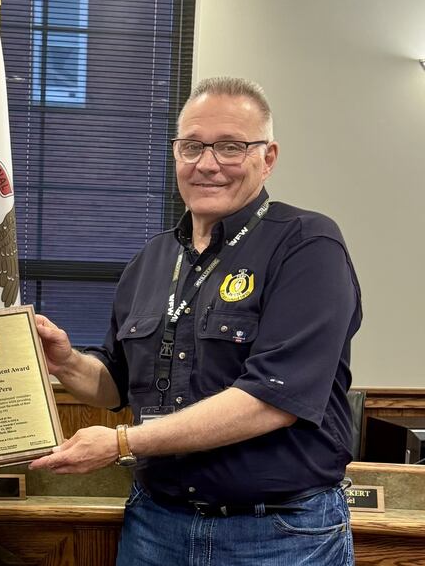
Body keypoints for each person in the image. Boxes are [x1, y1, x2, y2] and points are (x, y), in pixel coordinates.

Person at [30, 77, 361, 565]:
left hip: (279, 534)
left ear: (267, 158)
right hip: (156, 526)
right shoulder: (151, 260)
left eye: (230, 146)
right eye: (192, 147)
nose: (208, 164)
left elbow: (272, 400)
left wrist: (122, 441)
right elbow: (118, 385)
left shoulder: (307, 245)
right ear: (176, 154)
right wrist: (66, 362)